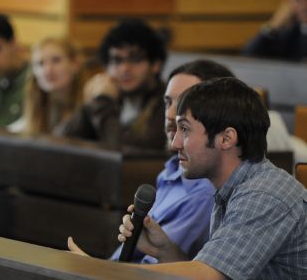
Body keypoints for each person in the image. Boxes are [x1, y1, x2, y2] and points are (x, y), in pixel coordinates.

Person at [114, 78, 307, 279]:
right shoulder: (231, 189)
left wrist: (110, 273)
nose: (175, 143)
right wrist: (164, 250)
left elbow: (208, 277)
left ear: (226, 138)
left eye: (185, 129)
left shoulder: (265, 194)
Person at [69, 59, 234, 264]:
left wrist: (92, 271)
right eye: (168, 102)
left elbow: (155, 272)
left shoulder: (205, 191)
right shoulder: (173, 170)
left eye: (185, 103)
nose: (171, 113)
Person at [61, 18, 166, 150]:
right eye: (117, 60)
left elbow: (129, 156)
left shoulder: (167, 102)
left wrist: (103, 103)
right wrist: (91, 103)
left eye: (135, 59)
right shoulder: (110, 95)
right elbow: (60, 140)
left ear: (156, 64)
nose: (124, 68)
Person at [9, 37, 84, 135]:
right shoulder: (36, 105)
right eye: (40, 64)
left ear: (75, 64)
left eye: (56, 60)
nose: (47, 70)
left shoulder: (89, 106)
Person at [243, 0, 307, 61]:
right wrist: (273, 26)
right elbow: (250, 56)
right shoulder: (291, 34)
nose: (304, 5)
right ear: (289, 2)